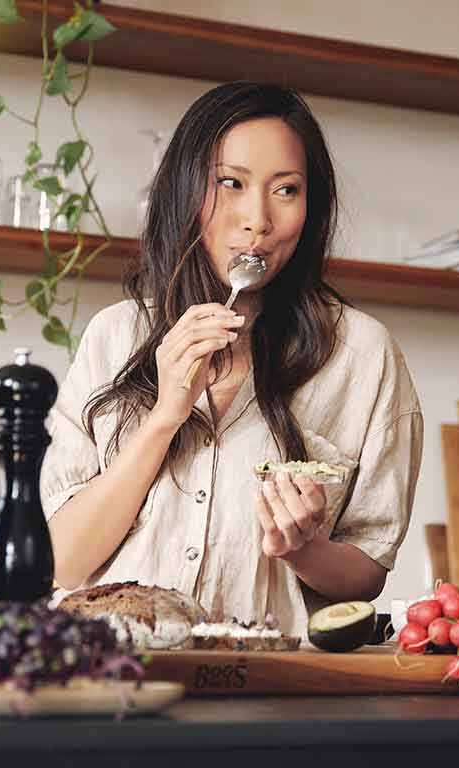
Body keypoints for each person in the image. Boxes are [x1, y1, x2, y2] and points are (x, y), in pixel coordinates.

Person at [40, 82, 424, 637]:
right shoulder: (115, 337)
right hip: (111, 678)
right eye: (231, 183)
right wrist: (166, 416)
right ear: (185, 192)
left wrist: (304, 548)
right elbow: (64, 562)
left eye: (286, 190)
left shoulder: (363, 356)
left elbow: (366, 572)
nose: (258, 219)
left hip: (271, 691)